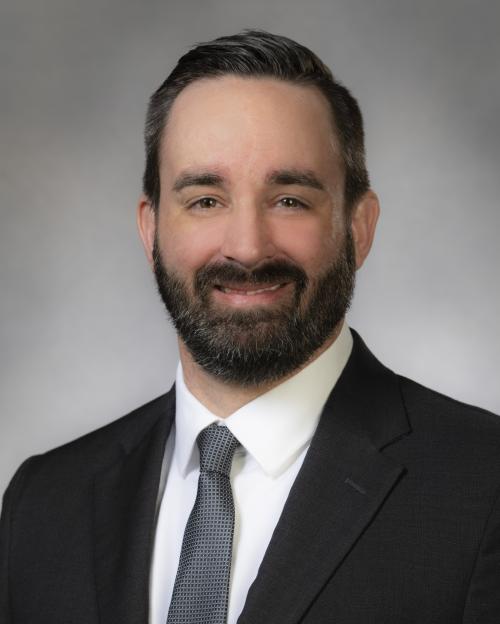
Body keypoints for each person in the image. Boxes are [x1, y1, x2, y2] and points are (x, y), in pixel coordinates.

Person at [1, 30, 500, 624]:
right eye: (205, 200)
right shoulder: (43, 503)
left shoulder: (483, 488)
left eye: (289, 199)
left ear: (359, 228)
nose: (246, 247)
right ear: (150, 230)